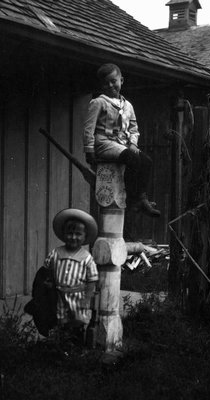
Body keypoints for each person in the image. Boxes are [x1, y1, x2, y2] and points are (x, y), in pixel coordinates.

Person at [83, 63, 160, 217]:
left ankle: (142, 198)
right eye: (106, 83)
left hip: (123, 144)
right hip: (104, 143)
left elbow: (133, 128)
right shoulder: (99, 103)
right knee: (132, 159)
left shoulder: (128, 106)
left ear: (121, 80)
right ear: (101, 85)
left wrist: (133, 143)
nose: (110, 85)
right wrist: (89, 150)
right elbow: (88, 128)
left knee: (146, 161)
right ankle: (132, 200)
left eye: (114, 81)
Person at [43, 208, 99, 343]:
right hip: (59, 295)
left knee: (77, 322)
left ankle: (77, 346)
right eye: (70, 233)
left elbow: (92, 280)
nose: (73, 237)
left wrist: (87, 298)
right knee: (61, 321)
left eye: (78, 234)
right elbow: (47, 268)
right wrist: (49, 280)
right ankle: (63, 346)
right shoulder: (56, 253)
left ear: (85, 236)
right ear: (64, 234)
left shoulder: (86, 257)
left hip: (78, 296)